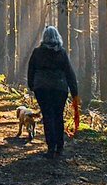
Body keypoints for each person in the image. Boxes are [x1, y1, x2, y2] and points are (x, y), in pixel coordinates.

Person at [27, 25, 78, 158]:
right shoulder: (61, 52)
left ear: (44, 37)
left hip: (42, 88)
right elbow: (69, 72)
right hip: (59, 88)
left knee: (48, 116)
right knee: (58, 116)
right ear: (57, 37)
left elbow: (31, 69)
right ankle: (60, 147)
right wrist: (74, 92)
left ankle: (51, 147)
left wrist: (32, 85)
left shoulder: (37, 52)